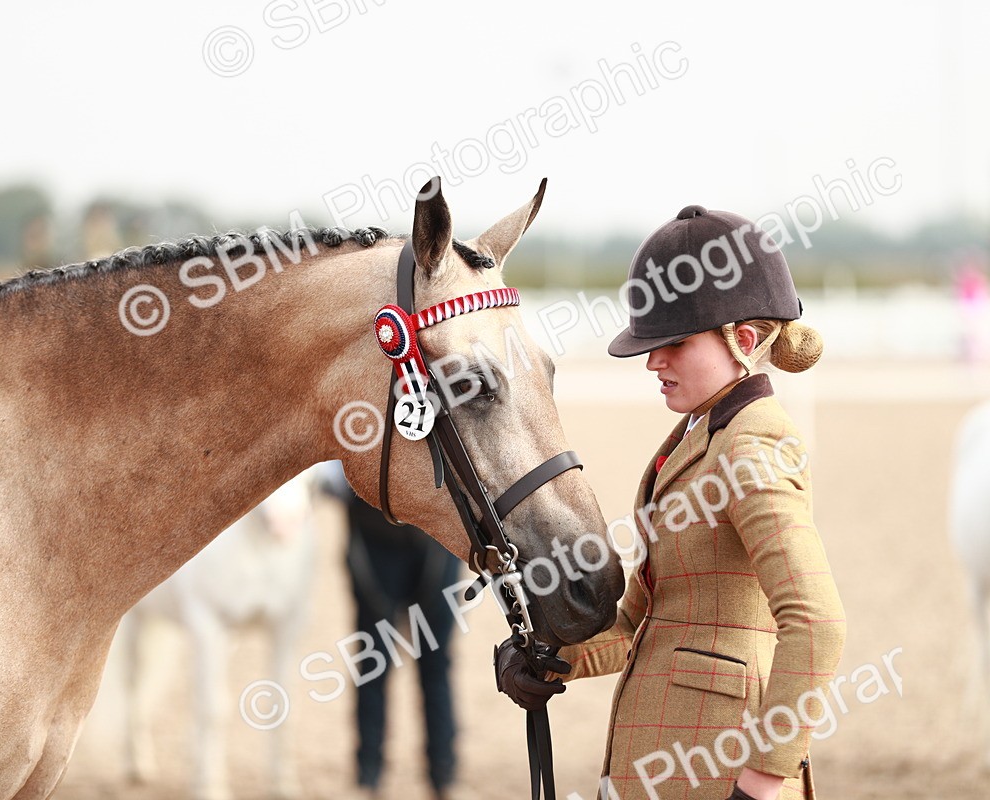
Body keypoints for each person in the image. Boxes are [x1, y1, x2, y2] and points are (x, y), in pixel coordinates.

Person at [495, 206, 846, 800]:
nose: (653, 361)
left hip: (716, 777)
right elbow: (641, 620)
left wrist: (762, 781)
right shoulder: (701, 437)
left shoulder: (751, 444)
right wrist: (551, 656)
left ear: (744, 338)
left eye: (675, 344)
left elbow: (817, 624)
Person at [317, 461, 466, 800]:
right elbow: (331, 475)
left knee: (436, 662)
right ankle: (368, 776)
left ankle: (443, 776)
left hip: (435, 541)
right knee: (373, 663)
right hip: (374, 544)